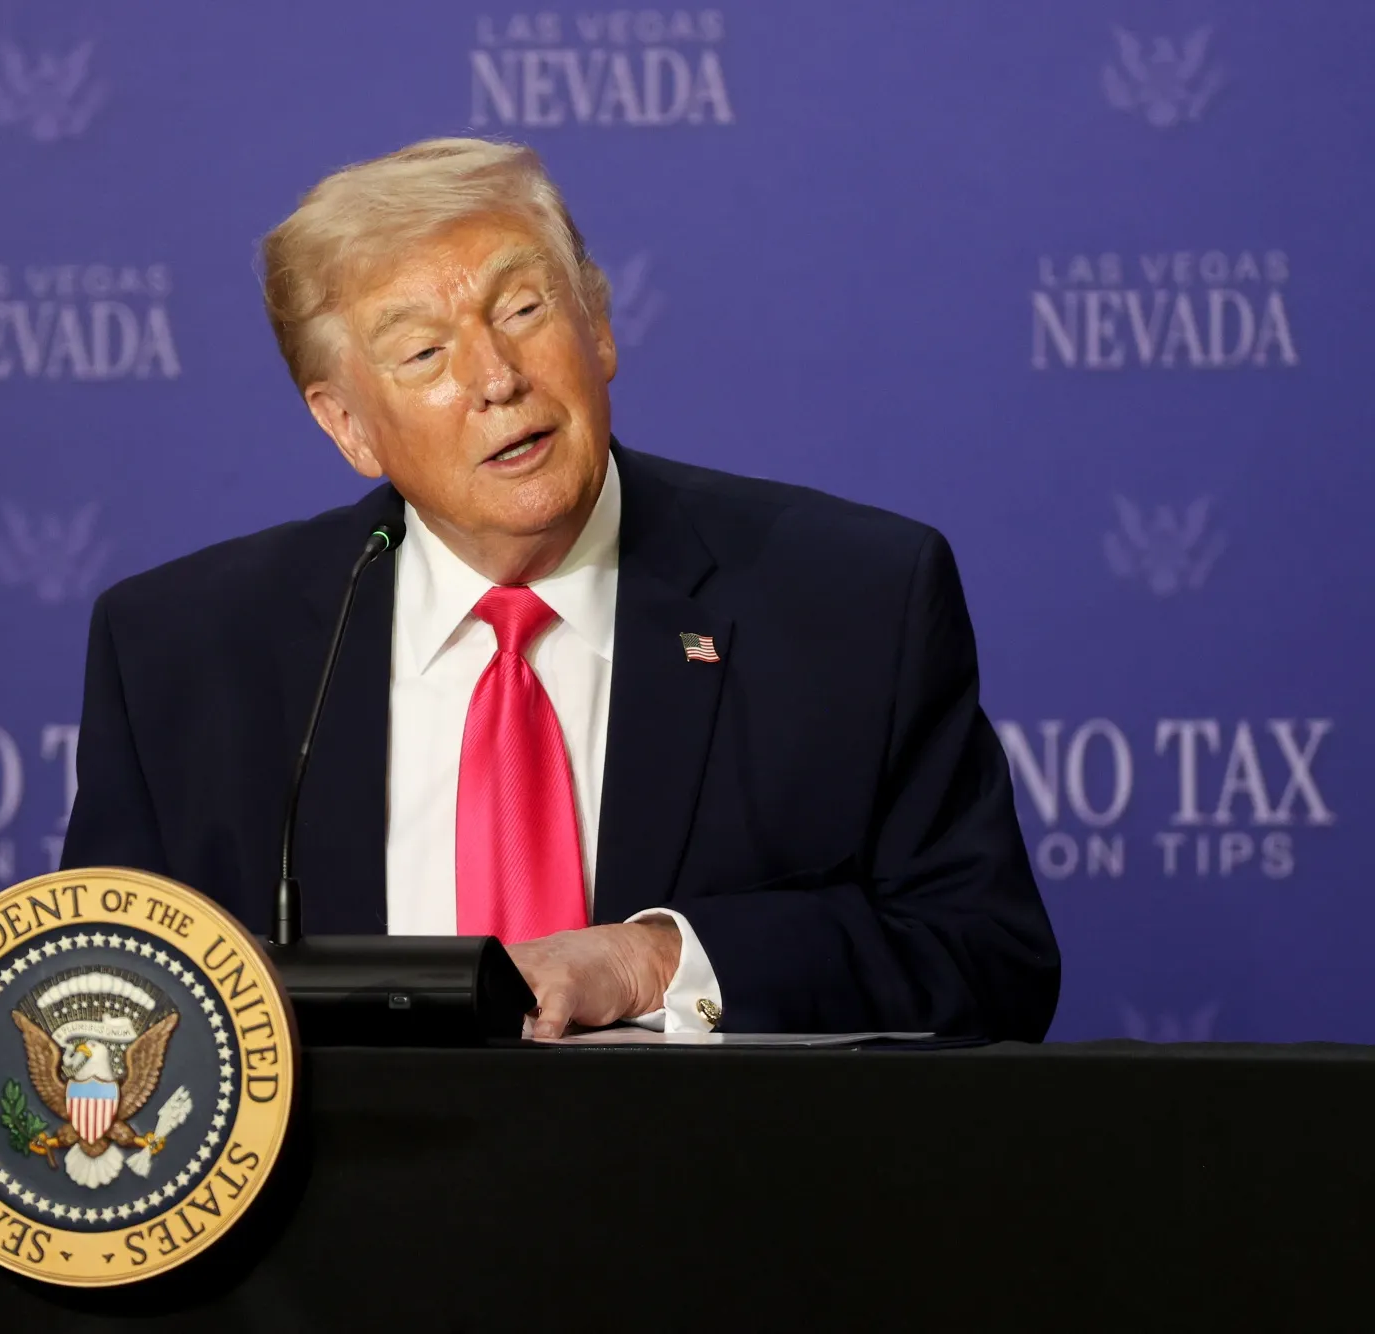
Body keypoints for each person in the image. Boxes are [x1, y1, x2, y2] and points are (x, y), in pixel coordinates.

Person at [61, 137, 1059, 1040]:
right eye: (422, 353)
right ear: (347, 426)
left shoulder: (849, 602)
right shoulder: (185, 656)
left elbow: (986, 962)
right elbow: (100, 1016)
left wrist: (657, 961)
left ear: (599, 328)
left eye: (523, 309)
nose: (495, 376)